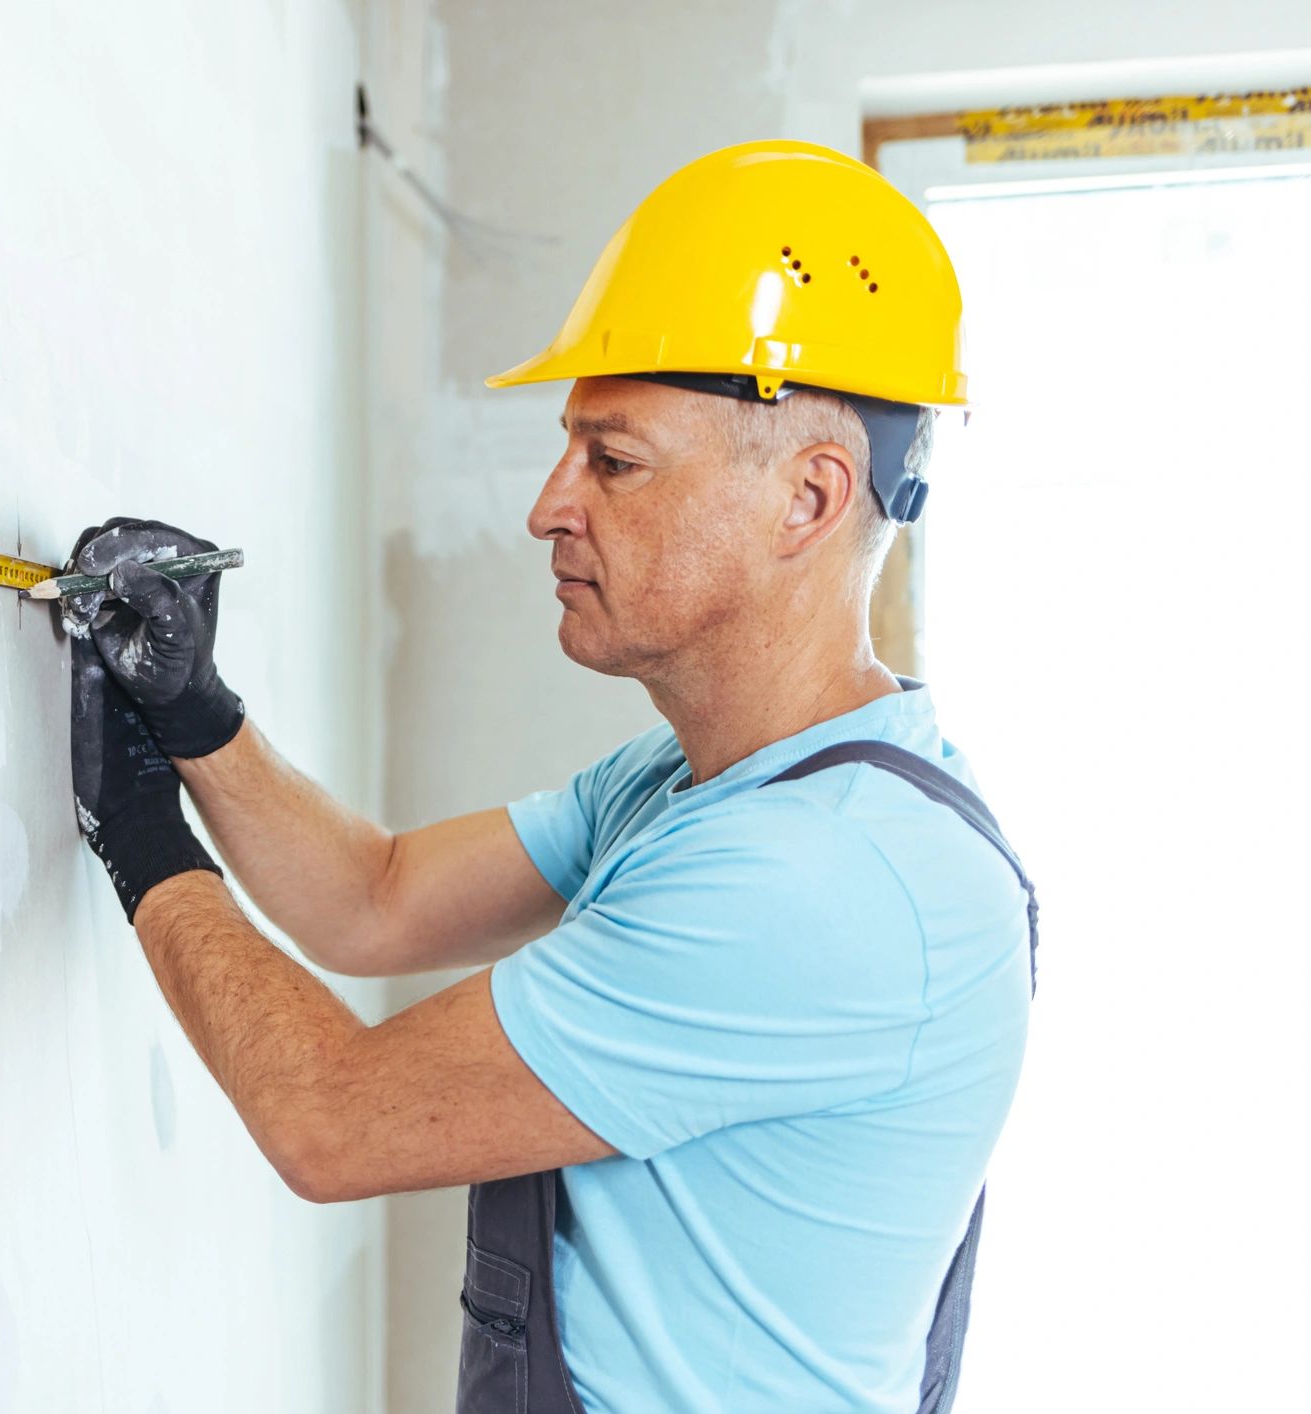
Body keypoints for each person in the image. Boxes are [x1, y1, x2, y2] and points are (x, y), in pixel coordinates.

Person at [63, 139, 1033, 1414]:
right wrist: (197, 719)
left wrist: (138, 827)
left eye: (612, 462)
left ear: (807, 498)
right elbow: (379, 897)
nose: (546, 505)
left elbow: (329, 1118)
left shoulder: (818, 880)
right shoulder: (711, 784)